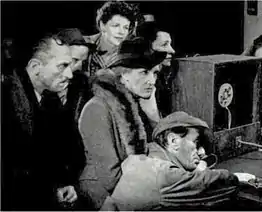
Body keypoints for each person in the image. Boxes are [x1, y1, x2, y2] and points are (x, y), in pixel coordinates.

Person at [77, 37, 167, 210]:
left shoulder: (137, 103)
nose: (152, 81)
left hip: (130, 187)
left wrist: (153, 114)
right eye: (144, 72)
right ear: (123, 75)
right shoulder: (97, 108)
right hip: (102, 195)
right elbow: (110, 177)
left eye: (154, 73)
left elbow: (159, 151)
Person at [2, 32, 87, 210]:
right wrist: (49, 191)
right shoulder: (5, 102)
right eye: (62, 66)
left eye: (70, 66)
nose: (70, 74)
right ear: (35, 67)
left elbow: (71, 153)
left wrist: (66, 184)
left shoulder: (52, 101)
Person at [109, 111, 256, 211]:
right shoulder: (162, 174)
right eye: (196, 143)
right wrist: (236, 178)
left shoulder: (148, 158)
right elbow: (207, 186)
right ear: (173, 141)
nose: (202, 152)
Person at [84, 0, 140, 77]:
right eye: (116, 26)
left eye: (126, 28)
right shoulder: (84, 44)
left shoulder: (131, 53)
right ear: (102, 26)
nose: (121, 32)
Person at [136, 21, 176, 121]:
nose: (172, 51)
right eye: (164, 45)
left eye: (170, 44)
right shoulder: (141, 84)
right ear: (148, 48)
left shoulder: (163, 76)